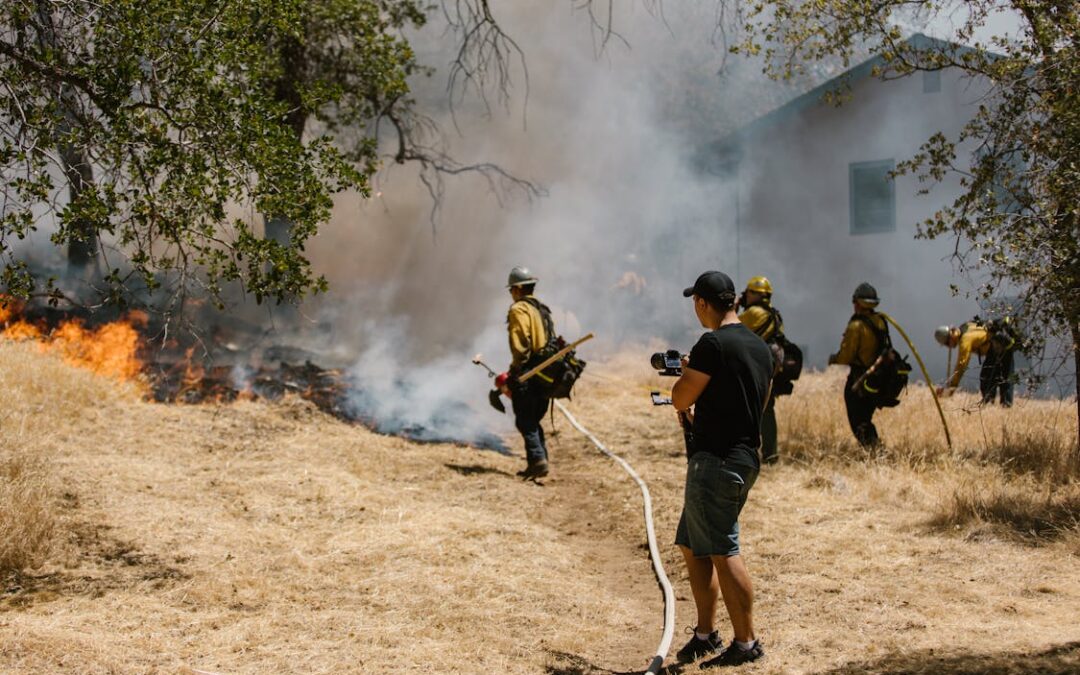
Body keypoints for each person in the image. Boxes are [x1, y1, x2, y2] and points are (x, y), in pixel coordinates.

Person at [671, 270, 772, 668]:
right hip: (744, 455)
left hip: (716, 461)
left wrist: (686, 373)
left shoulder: (711, 344)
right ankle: (705, 634)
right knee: (692, 543)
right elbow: (753, 404)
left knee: (723, 549)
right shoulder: (759, 346)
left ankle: (746, 644)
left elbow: (680, 397)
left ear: (702, 303)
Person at [505, 266, 555, 478]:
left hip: (528, 372)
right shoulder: (541, 309)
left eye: (511, 290)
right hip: (546, 372)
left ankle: (537, 460)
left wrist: (516, 370)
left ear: (517, 289)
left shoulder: (519, 310)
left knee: (525, 419)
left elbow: (521, 343)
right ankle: (538, 460)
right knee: (533, 419)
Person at [828, 282, 888, 447]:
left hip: (859, 379)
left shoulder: (856, 326)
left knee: (858, 420)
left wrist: (833, 359)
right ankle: (875, 450)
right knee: (865, 417)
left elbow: (846, 356)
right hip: (877, 378)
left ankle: (873, 449)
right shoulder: (880, 320)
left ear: (857, 302)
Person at [738, 276, 783, 464]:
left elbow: (726, 327)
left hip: (751, 368)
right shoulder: (774, 314)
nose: (745, 296)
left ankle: (744, 452)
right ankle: (771, 453)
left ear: (755, 294)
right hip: (767, 369)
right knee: (767, 411)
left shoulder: (753, 312)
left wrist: (734, 307)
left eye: (747, 292)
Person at [933, 322, 1015, 406]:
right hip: (1004, 343)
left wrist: (952, 387)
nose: (949, 346)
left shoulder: (965, 340)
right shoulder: (966, 326)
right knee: (1004, 376)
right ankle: (1005, 405)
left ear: (951, 335)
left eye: (947, 343)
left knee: (987, 378)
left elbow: (961, 366)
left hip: (997, 347)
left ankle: (991, 404)